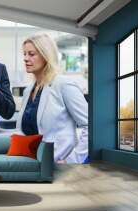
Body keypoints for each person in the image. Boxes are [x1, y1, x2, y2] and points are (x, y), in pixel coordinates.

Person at [16, 33, 88, 164]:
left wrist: (73, 160)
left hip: (58, 167)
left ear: (46, 55)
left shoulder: (64, 85)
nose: (25, 58)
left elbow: (90, 126)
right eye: (24, 54)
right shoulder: (28, 91)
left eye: (31, 54)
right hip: (31, 166)